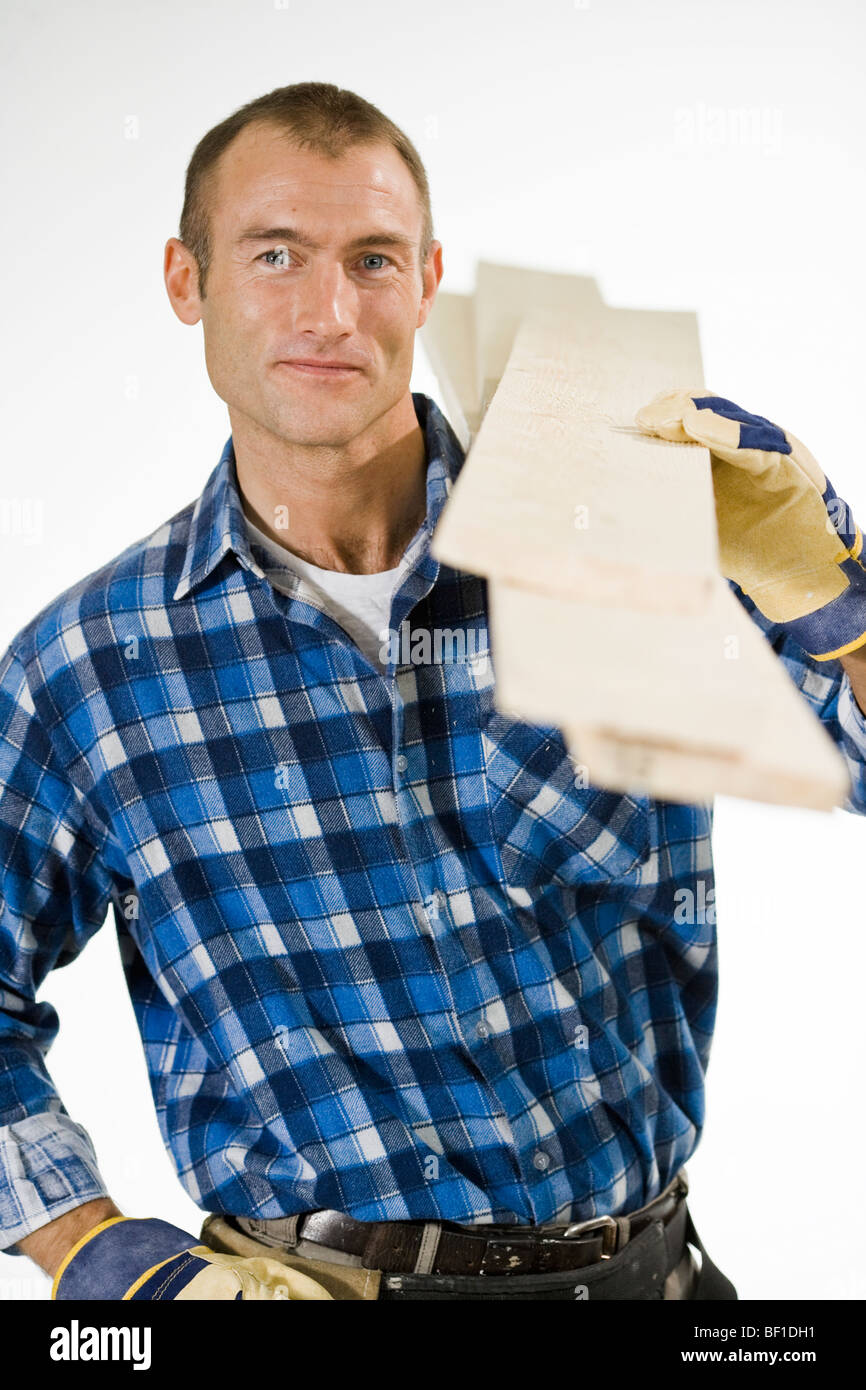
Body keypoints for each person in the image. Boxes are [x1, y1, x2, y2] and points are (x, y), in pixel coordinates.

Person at [3, 81, 866, 1303]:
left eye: (371, 259)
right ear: (185, 282)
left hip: (656, 1283)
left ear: (425, 277)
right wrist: (91, 1249)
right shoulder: (88, 669)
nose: (330, 310)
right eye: (274, 256)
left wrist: (829, 602)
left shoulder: (625, 527)